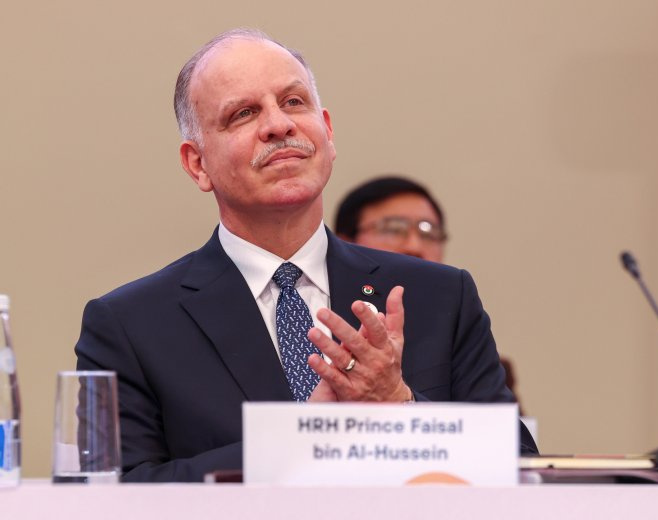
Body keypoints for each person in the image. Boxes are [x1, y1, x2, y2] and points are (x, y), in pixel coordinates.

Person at [75, 28, 537, 483]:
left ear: (328, 133)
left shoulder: (440, 295)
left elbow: (519, 468)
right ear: (198, 164)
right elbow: (115, 493)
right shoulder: (130, 325)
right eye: (243, 113)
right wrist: (300, 440)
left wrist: (400, 405)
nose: (279, 125)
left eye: (294, 102)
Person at [335, 176, 525, 414]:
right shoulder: (319, 320)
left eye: (429, 232)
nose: (414, 246)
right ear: (344, 242)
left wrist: (400, 399)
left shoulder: (472, 365)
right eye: (393, 228)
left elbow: (506, 437)